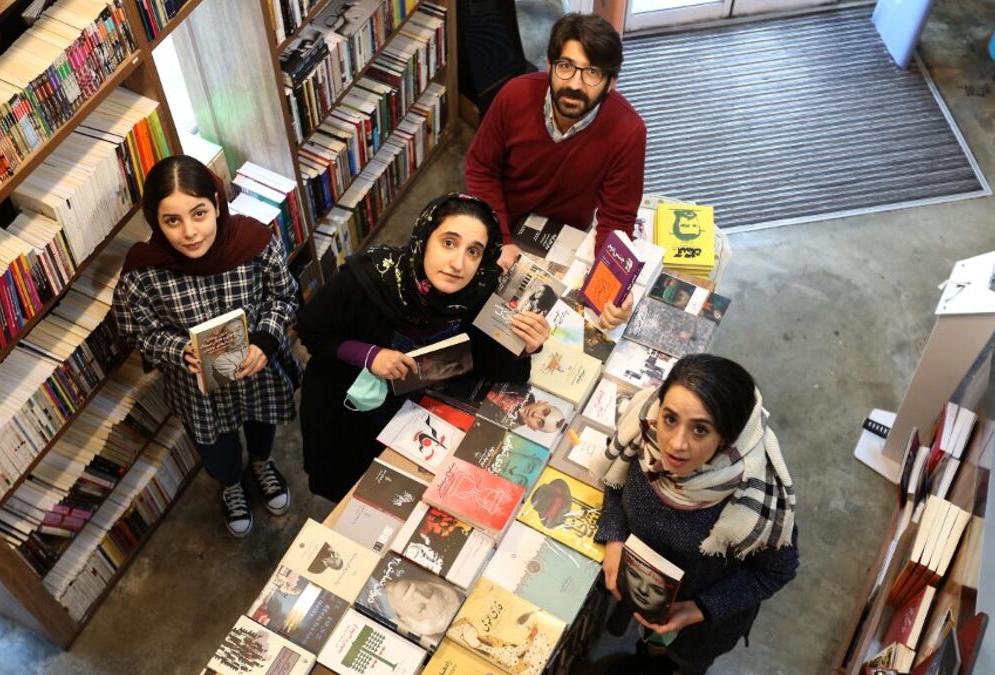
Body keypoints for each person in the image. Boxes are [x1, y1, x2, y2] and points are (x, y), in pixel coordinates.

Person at [297, 193, 551, 501]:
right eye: (449, 243)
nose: (458, 264)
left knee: (398, 495)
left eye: (473, 251)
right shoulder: (367, 278)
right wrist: (370, 355)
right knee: (350, 493)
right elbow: (311, 329)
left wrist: (526, 345)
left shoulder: (477, 293)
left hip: (420, 419)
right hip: (350, 414)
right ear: (424, 238)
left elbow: (493, 365)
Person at [113, 155, 300, 538]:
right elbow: (138, 331)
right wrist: (179, 349)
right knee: (217, 448)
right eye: (172, 221)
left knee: (262, 424)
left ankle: (262, 464)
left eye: (199, 213)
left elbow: (283, 296)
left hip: (255, 368)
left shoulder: (255, 242)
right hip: (197, 389)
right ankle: (231, 484)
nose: (190, 232)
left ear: (216, 204)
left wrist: (265, 339)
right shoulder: (143, 272)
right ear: (155, 221)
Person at [593, 354, 799, 674]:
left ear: (727, 437)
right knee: (649, 648)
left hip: (698, 629)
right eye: (670, 419)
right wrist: (615, 536)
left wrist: (699, 609)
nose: (676, 445)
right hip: (641, 591)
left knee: (677, 663)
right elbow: (614, 484)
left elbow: (774, 572)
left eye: (700, 429)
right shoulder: (641, 435)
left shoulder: (755, 498)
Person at [464, 13, 646, 329]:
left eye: (592, 73)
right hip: (502, 220)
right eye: (565, 66)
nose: (574, 84)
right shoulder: (514, 95)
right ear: (549, 65)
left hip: (566, 233)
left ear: (611, 83)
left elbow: (617, 217)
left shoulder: (629, 131)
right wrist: (501, 238)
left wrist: (611, 288)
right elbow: (481, 168)